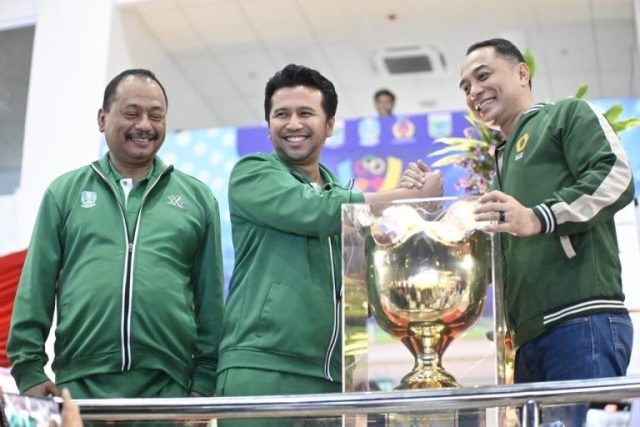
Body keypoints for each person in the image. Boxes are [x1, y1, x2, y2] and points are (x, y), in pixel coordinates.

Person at [215, 64, 442, 410]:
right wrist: (405, 197)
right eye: (281, 114)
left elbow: (366, 287)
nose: (293, 124)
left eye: (305, 113)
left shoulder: (342, 195)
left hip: (335, 378)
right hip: (262, 369)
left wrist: (422, 210)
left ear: (330, 125)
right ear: (268, 125)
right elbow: (315, 210)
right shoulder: (253, 172)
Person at [7, 69, 225, 399]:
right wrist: (29, 370)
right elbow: (35, 286)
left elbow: (210, 300)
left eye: (156, 116)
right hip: (79, 385)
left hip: (168, 387)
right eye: (132, 113)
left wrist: (206, 381)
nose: (145, 125)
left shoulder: (197, 198)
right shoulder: (64, 193)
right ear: (102, 118)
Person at [457, 38, 634, 424]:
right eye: (466, 87)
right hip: (528, 340)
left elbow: (616, 177)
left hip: (581, 321)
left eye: (483, 76)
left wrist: (538, 217)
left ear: (522, 73)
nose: (474, 91)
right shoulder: (501, 160)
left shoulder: (566, 115)